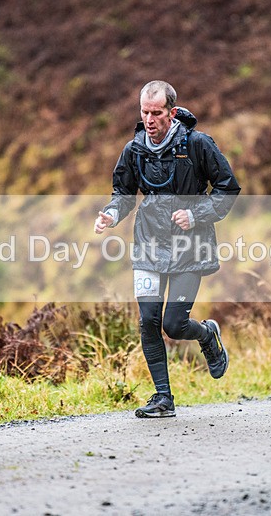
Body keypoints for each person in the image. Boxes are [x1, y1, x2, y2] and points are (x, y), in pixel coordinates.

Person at [94, 80, 241, 417]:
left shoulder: (198, 144)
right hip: (148, 243)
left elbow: (227, 188)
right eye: (144, 112)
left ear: (171, 112)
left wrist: (196, 214)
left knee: (174, 324)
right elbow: (123, 193)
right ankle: (163, 399)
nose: (149, 119)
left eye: (157, 113)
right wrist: (111, 214)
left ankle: (207, 335)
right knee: (148, 321)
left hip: (190, 246)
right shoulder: (133, 150)